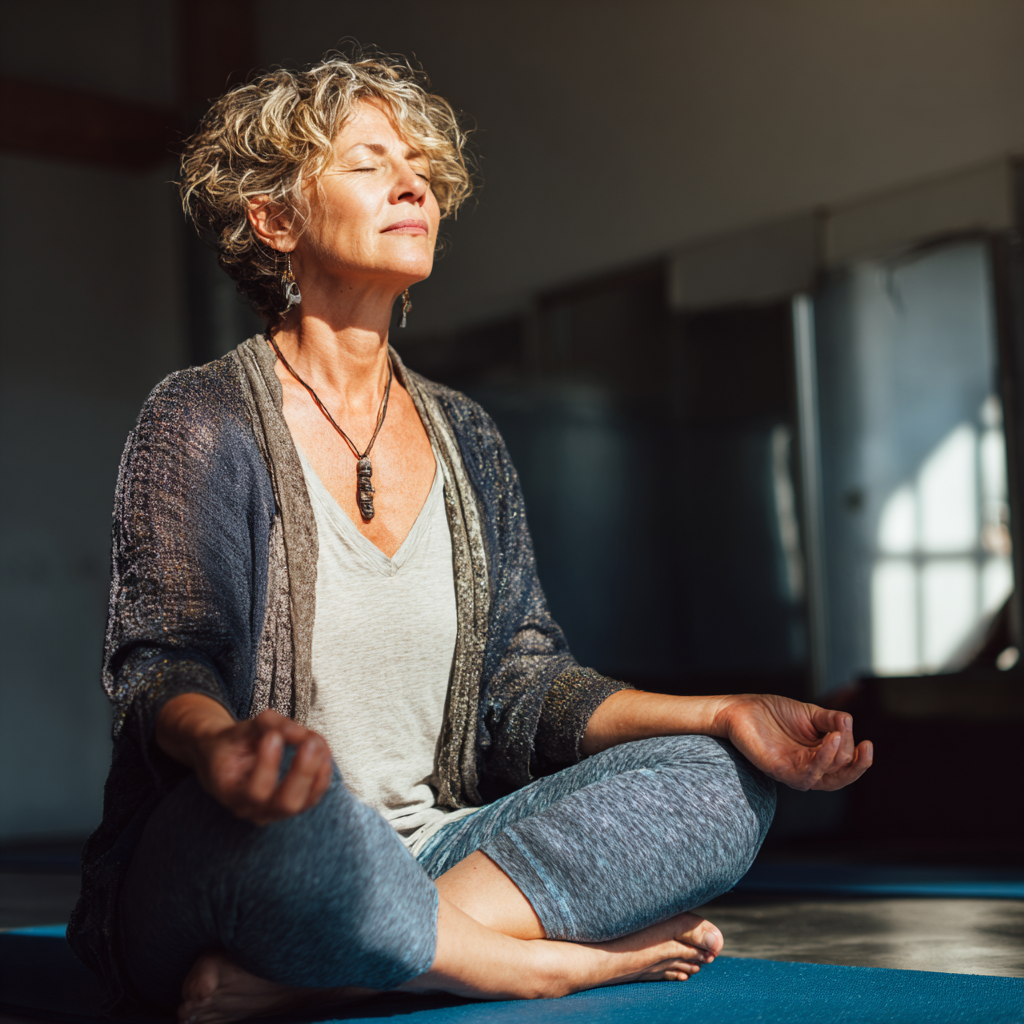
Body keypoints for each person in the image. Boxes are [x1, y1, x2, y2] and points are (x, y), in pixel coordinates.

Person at [68, 51, 872, 1024]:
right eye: (369, 163)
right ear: (274, 220)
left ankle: (340, 969)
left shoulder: (468, 439)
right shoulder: (199, 417)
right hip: (256, 845)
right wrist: (226, 744)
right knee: (305, 832)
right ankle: (534, 962)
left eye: (420, 166)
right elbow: (163, 663)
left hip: (440, 849)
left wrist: (722, 713)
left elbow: (526, 688)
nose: (413, 183)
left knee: (721, 787)